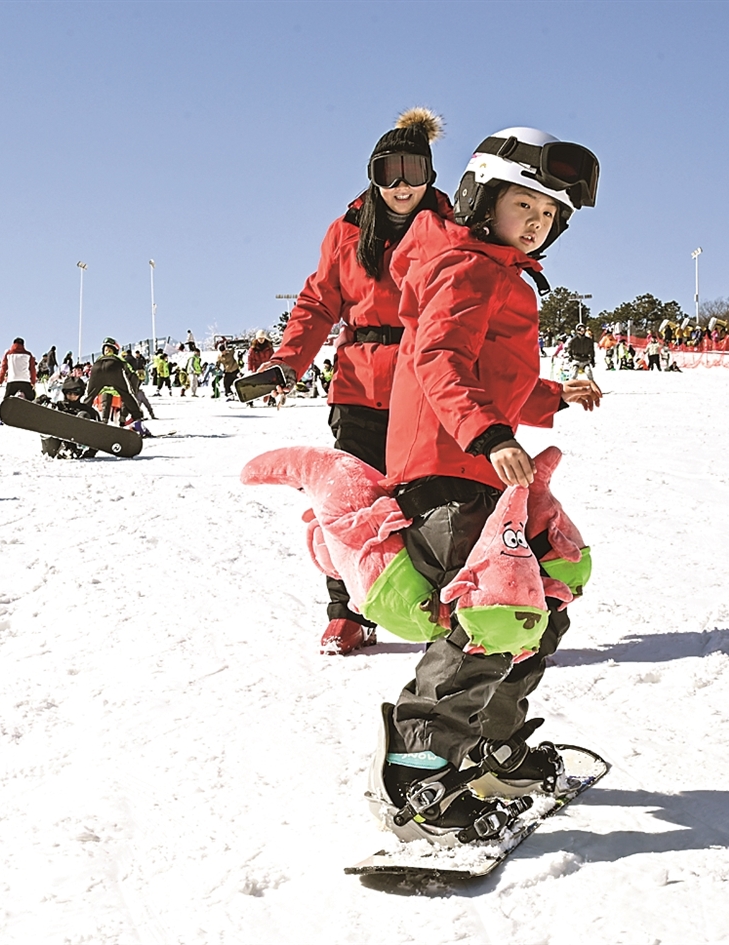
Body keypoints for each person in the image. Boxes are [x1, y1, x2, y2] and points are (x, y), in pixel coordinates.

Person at [369, 126, 602, 845]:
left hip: (477, 472)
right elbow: (441, 358)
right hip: (443, 474)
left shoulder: (498, 272)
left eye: (548, 216)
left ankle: (488, 752)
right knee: (489, 617)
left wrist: (549, 397)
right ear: (480, 197)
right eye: (523, 205)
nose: (535, 223)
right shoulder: (463, 265)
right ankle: (418, 770)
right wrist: (489, 433)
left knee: (542, 602)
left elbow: (496, 377)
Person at [257, 107, 452, 654]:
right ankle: (347, 612)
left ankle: (442, 601)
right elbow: (319, 302)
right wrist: (286, 363)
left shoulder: (451, 229)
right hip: (359, 387)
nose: (400, 186)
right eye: (389, 171)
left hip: (425, 386)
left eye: (414, 172)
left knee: (432, 501)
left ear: (430, 176)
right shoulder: (346, 231)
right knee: (349, 506)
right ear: (373, 173)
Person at [83, 337, 147, 433]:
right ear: (116, 350)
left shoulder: (99, 359)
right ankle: (137, 422)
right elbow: (130, 372)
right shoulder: (118, 358)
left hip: (96, 368)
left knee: (90, 396)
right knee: (127, 395)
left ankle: (81, 415)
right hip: (113, 366)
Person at [36, 375, 101, 458]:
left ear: (81, 394)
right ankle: (51, 441)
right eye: (69, 393)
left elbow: (99, 433)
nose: (72, 396)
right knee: (51, 411)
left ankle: (74, 447)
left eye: (76, 393)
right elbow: (33, 411)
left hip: (74, 447)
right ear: (64, 392)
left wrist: (90, 453)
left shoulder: (88, 410)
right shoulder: (59, 406)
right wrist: (40, 401)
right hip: (53, 445)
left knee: (84, 415)